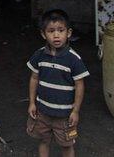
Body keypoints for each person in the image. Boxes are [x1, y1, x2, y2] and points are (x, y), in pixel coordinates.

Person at [26, 9, 88, 157]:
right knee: (43, 141)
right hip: (42, 112)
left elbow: (80, 85)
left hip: (65, 115)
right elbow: (34, 78)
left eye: (61, 30)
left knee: (67, 146)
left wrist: (76, 111)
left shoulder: (74, 59)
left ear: (69, 33)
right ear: (43, 34)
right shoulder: (39, 55)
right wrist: (32, 103)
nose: (56, 35)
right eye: (51, 31)